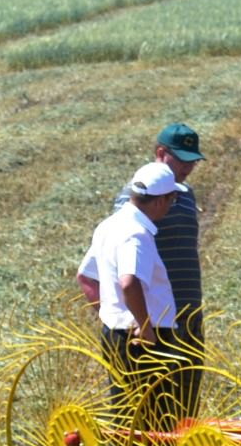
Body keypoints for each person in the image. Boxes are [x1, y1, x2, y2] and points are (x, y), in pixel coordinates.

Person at [77, 161, 186, 446]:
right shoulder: (135, 235)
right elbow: (128, 283)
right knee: (151, 425)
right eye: (170, 200)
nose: (171, 207)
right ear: (158, 201)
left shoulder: (109, 225)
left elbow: (87, 278)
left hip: (116, 335)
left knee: (125, 421)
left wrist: (109, 316)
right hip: (143, 341)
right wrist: (144, 325)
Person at [78, 122, 207, 412]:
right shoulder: (132, 204)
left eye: (194, 160)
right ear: (161, 153)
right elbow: (110, 274)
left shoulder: (184, 195)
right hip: (155, 324)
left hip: (187, 315)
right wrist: (124, 320)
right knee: (146, 415)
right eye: (183, 159)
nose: (189, 167)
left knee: (183, 407)